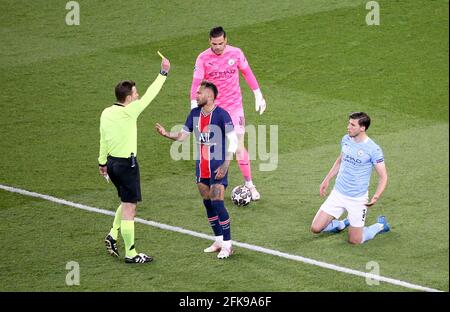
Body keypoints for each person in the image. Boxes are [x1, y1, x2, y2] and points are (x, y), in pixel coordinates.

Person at [99, 56, 171, 263]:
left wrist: (102, 162)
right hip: (126, 165)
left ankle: (113, 234)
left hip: (112, 164)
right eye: (135, 93)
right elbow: (151, 94)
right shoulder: (131, 111)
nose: (138, 96)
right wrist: (163, 72)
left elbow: (103, 138)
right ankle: (131, 253)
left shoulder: (106, 112)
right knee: (130, 207)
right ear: (129, 98)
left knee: (125, 200)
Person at [156, 81, 238, 259]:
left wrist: (226, 164)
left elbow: (234, 141)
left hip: (218, 168)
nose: (196, 95)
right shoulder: (194, 114)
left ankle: (228, 245)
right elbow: (182, 136)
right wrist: (166, 134)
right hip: (201, 169)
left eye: (199, 93)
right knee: (208, 204)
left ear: (209, 95)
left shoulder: (222, 115)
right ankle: (218, 241)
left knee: (218, 203)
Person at [190, 26, 266, 201]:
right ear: (209, 41)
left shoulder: (236, 53)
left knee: (238, 145)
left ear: (226, 40)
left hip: (234, 108)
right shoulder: (203, 58)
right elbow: (195, 84)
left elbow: (247, 73)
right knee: (213, 148)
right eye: (214, 43)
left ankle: (249, 184)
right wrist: (194, 107)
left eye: (221, 43)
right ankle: (215, 184)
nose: (217, 47)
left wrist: (258, 94)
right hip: (212, 109)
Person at [310, 112, 390, 244]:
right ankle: (342, 224)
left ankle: (380, 226)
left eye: (352, 125)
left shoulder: (373, 149)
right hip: (338, 193)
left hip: (357, 199)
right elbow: (340, 160)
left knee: (355, 240)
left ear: (362, 128)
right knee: (315, 228)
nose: (348, 127)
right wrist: (327, 179)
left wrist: (376, 196)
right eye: (349, 123)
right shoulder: (346, 139)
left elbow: (383, 176)